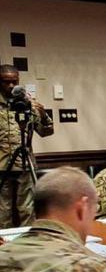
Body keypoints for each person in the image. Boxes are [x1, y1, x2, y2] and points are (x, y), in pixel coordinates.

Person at [0, 64, 54, 229]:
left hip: (24, 164)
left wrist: (43, 113)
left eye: (14, 81)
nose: (10, 86)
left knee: (27, 210)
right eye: (5, 82)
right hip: (1, 166)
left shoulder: (28, 103)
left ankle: (28, 244)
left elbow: (47, 131)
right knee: (3, 212)